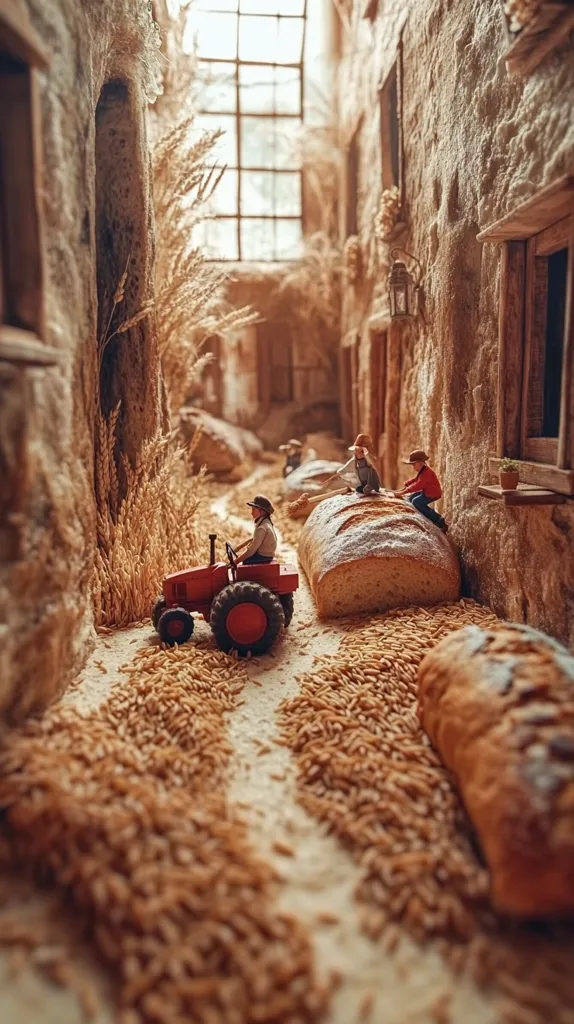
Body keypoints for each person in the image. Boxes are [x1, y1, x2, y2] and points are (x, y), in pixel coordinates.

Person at [392, 449, 448, 533]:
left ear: (420, 462)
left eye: (414, 464)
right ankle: (423, 515)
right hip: (426, 491)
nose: (413, 467)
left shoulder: (427, 472)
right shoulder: (423, 470)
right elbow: (416, 479)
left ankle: (439, 521)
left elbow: (419, 485)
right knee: (411, 498)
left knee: (416, 501)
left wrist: (403, 492)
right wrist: (407, 484)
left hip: (432, 493)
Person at [233, 495, 278, 565]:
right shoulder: (266, 522)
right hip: (268, 554)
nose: (251, 512)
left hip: (264, 556)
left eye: (253, 509)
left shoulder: (262, 528)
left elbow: (251, 550)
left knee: (245, 561)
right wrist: (246, 543)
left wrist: (237, 561)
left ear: (262, 511)